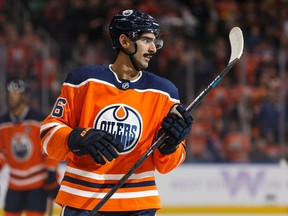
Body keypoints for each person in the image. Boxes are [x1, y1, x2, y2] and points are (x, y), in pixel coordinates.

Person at [40, 9, 193, 216]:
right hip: (82, 199)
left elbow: (166, 165)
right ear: (125, 41)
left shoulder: (165, 92)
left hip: (138, 203)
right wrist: (77, 137)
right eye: (147, 40)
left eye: (154, 42)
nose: (153, 49)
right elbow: (48, 136)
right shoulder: (83, 80)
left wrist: (171, 146)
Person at [0, 79, 60, 216]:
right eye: (9, 93)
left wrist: (51, 174)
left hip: (37, 184)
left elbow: (48, 149)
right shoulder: (2, 124)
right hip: (14, 184)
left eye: (15, 93)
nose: (11, 96)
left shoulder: (38, 120)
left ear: (25, 96)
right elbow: (2, 153)